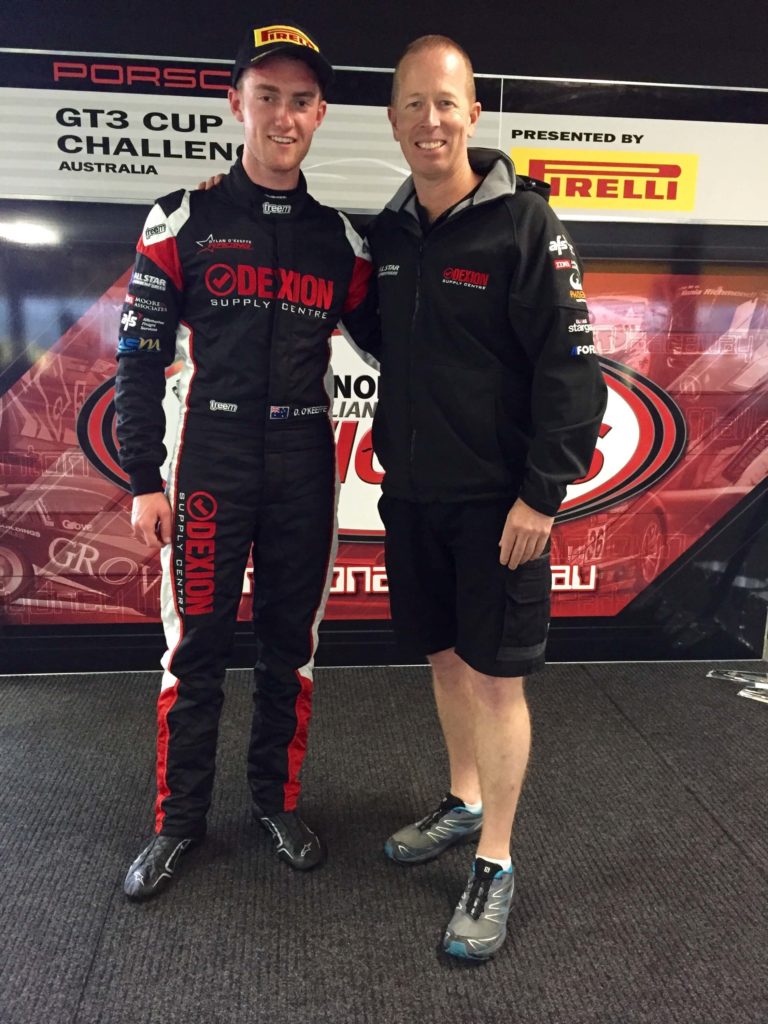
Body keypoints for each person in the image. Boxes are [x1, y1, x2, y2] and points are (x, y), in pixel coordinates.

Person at [116, 21, 379, 901]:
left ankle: (275, 802)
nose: (283, 115)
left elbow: (405, 344)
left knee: (289, 648)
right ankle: (179, 822)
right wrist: (142, 478)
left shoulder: (342, 241)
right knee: (194, 649)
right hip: (212, 462)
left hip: (305, 462)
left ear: (320, 113)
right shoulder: (181, 217)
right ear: (237, 104)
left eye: (301, 100)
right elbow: (138, 358)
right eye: (267, 96)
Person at [365, 36, 607, 960]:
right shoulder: (389, 235)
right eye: (413, 104)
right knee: (445, 660)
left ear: (473, 112)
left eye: (446, 102)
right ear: (393, 120)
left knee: (499, 680)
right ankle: (463, 802)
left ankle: (495, 862)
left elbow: (573, 371)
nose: (430, 120)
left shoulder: (525, 224)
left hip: (502, 510)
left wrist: (541, 497)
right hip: (413, 498)